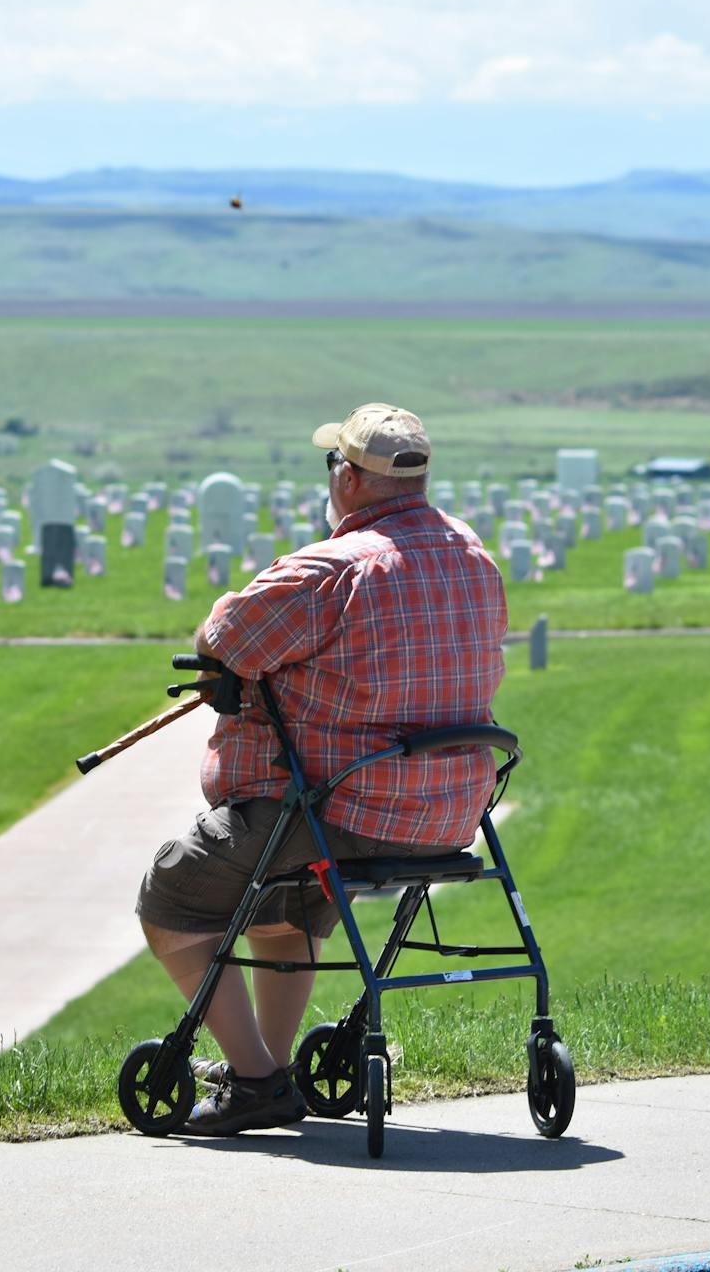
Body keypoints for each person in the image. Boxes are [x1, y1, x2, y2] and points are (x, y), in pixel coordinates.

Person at [135, 402, 509, 1135]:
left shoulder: (333, 570)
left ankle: (255, 1081)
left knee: (173, 890)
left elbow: (222, 640)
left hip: (339, 814)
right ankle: (269, 1068)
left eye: (333, 464)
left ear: (349, 477)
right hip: (446, 817)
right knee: (284, 906)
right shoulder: (475, 557)